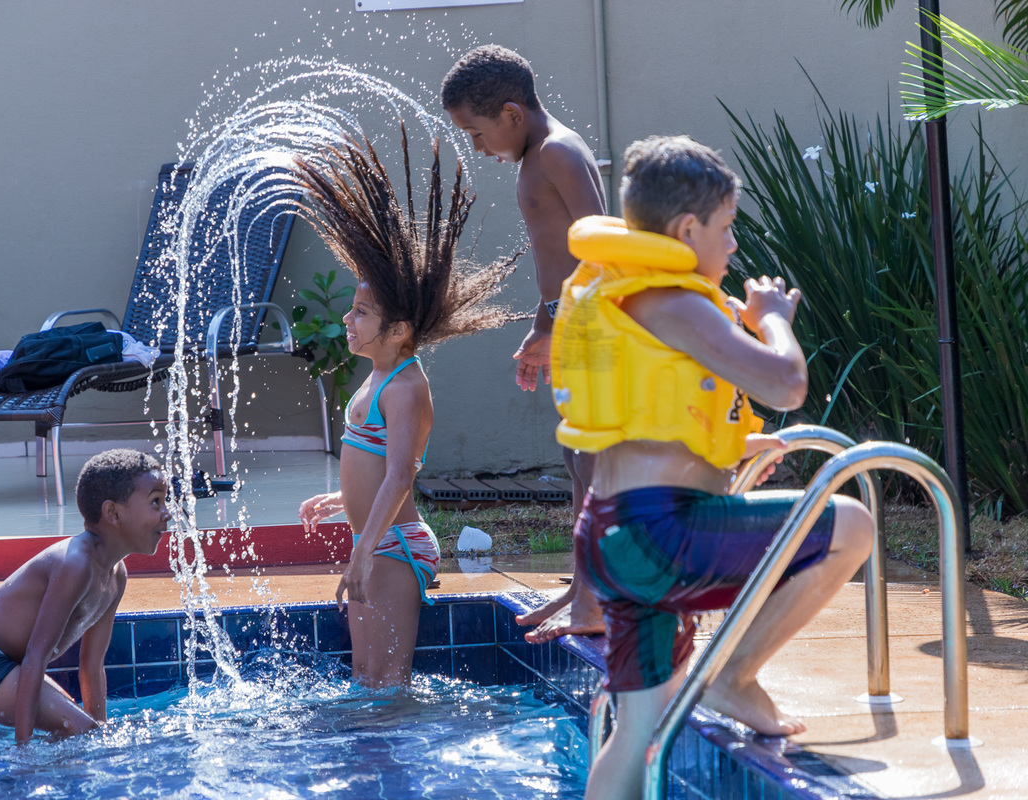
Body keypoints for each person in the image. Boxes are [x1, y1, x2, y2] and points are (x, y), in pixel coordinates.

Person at [551, 135, 875, 800]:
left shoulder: (628, 295)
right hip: (661, 534)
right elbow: (785, 384)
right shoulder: (677, 302)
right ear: (686, 229)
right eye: (726, 228)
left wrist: (736, 446)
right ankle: (733, 675)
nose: (732, 244)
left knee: (638, 729)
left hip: (611, 533)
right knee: (850, 523)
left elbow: (656, 419)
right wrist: (773, 321)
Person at [295, 131, 519, 688]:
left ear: (398, 330)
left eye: (361, 313)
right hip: (373, 540)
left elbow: (400, 473)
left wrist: (363, 552)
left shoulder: (405, 387)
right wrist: (342, 500)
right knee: (364, 677)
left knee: (388, 683)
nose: (348, 320)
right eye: (351, 310)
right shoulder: (377, 375)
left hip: (393, 545)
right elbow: (376, 466)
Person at [441, 44, 607, 643]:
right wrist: (545, 324)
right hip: (573, 322)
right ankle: (582, 587)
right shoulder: (538, 154)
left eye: (477, 134)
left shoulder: (557, 152)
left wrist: (574, 324)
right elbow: (558, 260)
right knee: (575, 456)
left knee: (593, 458)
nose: (477, 148)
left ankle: (596, 598)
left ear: (511, 113)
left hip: (596, 325)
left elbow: (601, 246)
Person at [0, 449, 170, 744]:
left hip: (4, 664)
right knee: (78, 729)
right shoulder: (76, 563)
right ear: (113, 513)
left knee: (83, 732)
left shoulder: (116, 575)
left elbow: (92, 665)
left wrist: (101, 735)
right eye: (156, 502)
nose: (167, 513)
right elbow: (36, 655)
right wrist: (24, 750)